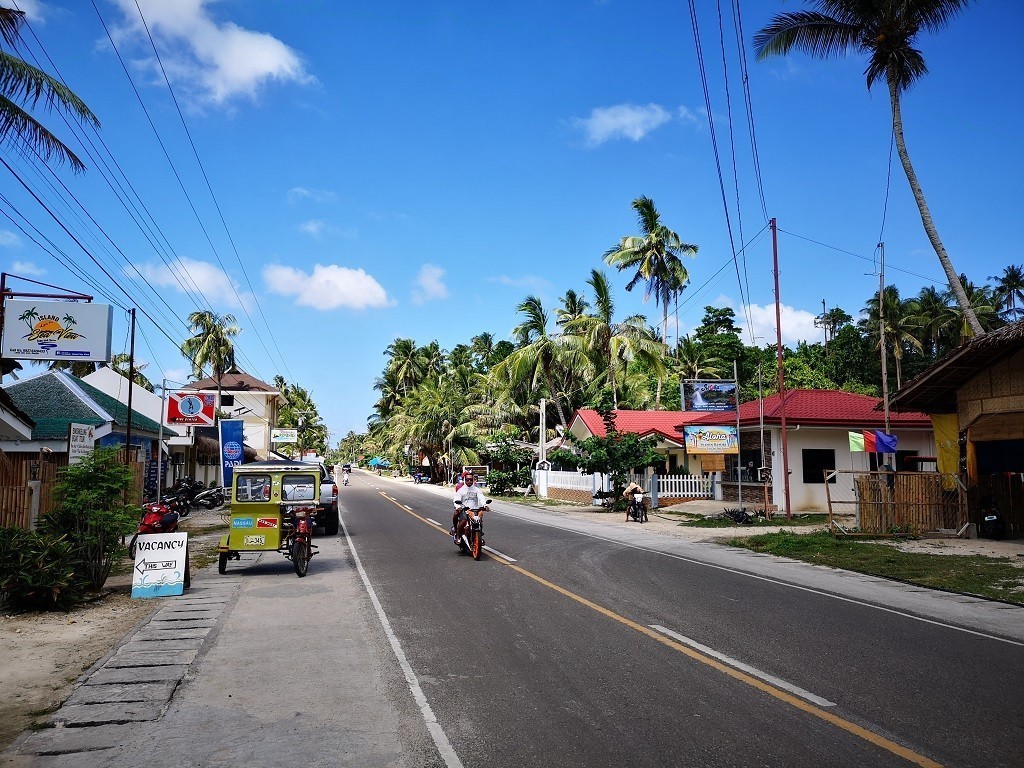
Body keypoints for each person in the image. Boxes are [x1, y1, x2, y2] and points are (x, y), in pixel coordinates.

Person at [451, 472, 489, 543]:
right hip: (464, 510)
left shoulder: (476, 489)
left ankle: (479, 535)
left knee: (479, 521)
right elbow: (456, 499)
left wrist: (485, 505)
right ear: (465, 480)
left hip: (474, 510)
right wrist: (458, 507)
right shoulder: (461, 490)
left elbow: (481, 497)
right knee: (464, 520)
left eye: (471, 480)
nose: (469, 481)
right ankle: (458, 536)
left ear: (473, 480)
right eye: (467, 480)